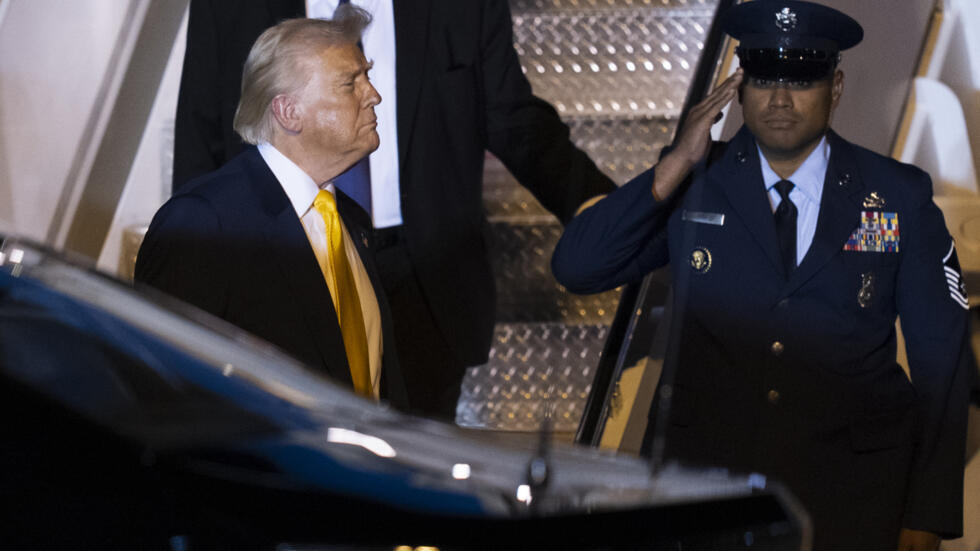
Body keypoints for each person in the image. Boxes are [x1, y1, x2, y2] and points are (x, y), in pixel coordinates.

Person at [551, 1, 970, 550]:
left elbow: (944, 359)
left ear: (836, 86)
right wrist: (674, 165)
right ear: (738, 89)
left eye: (800, 78)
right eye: (763, 78)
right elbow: (578, 268)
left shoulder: (896, 195)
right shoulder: (695, 184)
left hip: (852, 501)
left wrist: (926, 514)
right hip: (705, 499)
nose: (779, 98)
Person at [171, 0, 616, 420]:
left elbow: (516, 119)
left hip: (424, 281)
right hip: (282, 270)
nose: (372, 96)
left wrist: (598, 206)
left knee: (417, 478)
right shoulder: (230, 6)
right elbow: (202, 131)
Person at [136, 9, 408, 408]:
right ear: (288, 112)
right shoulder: (203, 225)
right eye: (352, 83)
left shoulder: (352, 220)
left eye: (366, 76)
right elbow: (166, 398)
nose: (374, 95)